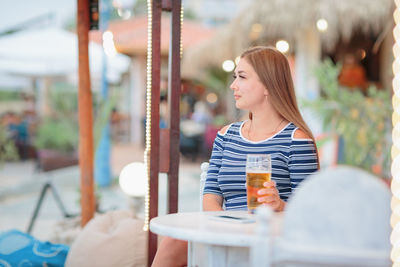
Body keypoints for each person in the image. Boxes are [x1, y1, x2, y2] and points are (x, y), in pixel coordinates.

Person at [151, 46, 320, 267]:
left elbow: (311, 212)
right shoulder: (226, 135)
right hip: (227, 231)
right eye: (234, 77)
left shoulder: (296, 139)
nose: (233, 85)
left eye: (242, 77)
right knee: (172, 242)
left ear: (268, 85)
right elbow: (211, 195)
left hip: (271, 239)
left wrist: (279, 205)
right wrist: (223, 228)